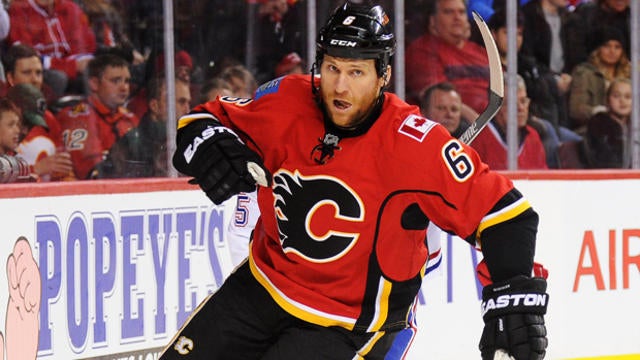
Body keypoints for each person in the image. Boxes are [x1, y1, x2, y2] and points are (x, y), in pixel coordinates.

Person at [162, 2, 549, 359]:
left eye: (356, 72)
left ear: (383, 75)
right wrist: (208, 143)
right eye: (332, 68)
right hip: (261, 288)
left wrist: (512, 295)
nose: (340, 87)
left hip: (351, 325)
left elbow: (507, 215)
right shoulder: (287, 100)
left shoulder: (417, 144)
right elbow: (201, 119)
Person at [405, 0, 490, 122]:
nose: (457, 17)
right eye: (448, 12)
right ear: (432, 20)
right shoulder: (422, 50)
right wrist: (482, 125)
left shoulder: (481, 51)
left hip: (494, 122)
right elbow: (439, 100)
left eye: (461, 12)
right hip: (457, 123)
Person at [56, 54, 138, 179]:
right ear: (94, 83)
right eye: (115, 81)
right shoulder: (78, 118)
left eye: (126, 81)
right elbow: (89, 173)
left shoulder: (130, 118)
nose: (124, 87)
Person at [100, 76, 191, 178]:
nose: (187, 110)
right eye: (181, 102)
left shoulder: (189, 141)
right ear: (154, 106)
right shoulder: (130, 145)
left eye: (188, 103)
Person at [7, 0, 97, 96]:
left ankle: (89, 110)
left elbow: (82, 47)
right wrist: (70, 66)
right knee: (58, 78)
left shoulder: (70, 8)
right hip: (41, 68)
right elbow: (26, 56)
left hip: (68, 64)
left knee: (92, 70)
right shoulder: (19, 8)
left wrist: (78, 63)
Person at [471, 74, 548, 170]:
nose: (521, 108)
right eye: (513, 103)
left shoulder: (533, 136)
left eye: (523, 101)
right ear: (496, 108)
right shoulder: (479, 138)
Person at [568, 26, 630, 133]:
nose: (612, 51)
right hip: (592, 131)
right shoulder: (585, 73)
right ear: (598, 49)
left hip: (629, 130)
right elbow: (576, 110)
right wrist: (598, 111)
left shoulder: (631, 74)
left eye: (617, 47)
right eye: (607, 46)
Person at [7, 84, 73, 181]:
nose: (26, 130)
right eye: (25, 122)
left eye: (32, 124)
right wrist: (35, 169)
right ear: (11, 107)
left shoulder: (49, 120)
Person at [583, 77, 632, 168]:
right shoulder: (598, 123)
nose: (622, 101)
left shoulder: (635, 124)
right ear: (607, 100)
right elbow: (604, 159)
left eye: (628, 97)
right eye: (616, 96)